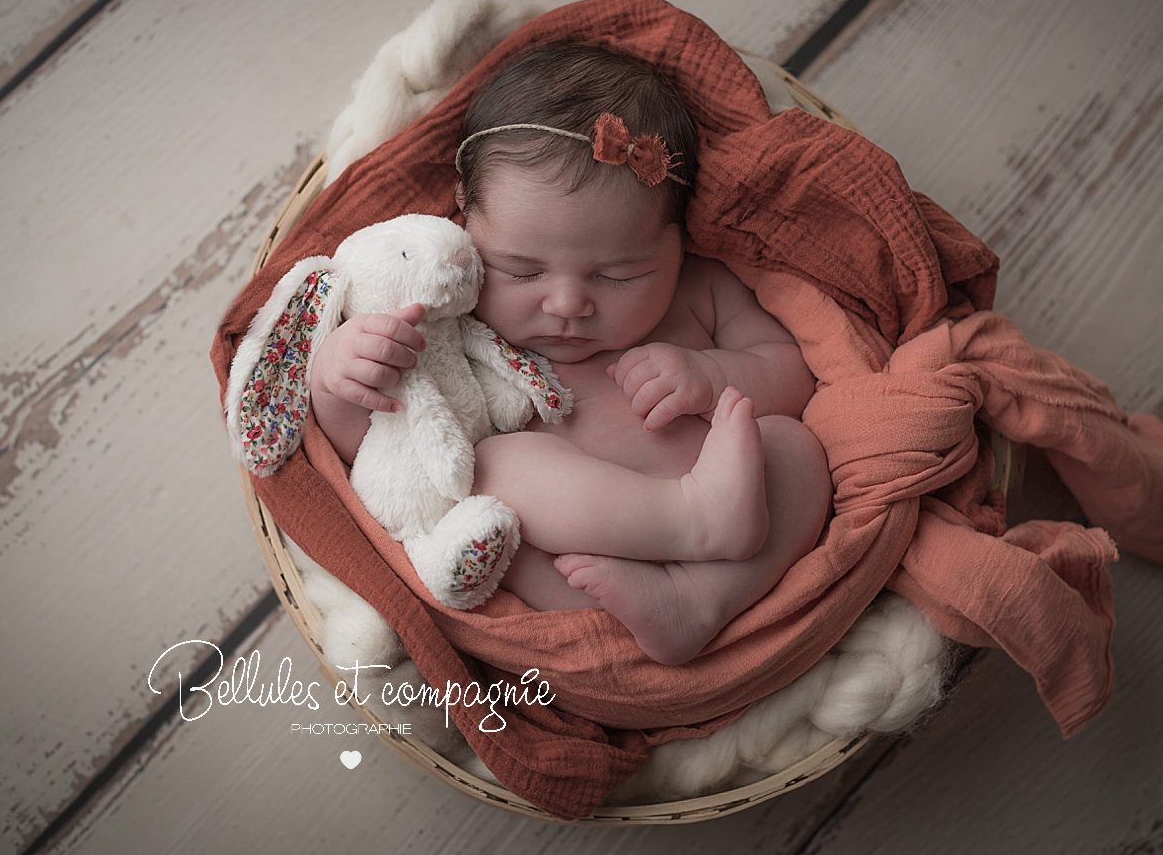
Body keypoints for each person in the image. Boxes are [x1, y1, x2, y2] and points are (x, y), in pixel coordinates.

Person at [310, 44, 832, 665]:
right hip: (583, 573)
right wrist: (337, 377)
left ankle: (699, 600)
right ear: (463, 217)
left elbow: (794, 374)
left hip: (737, 551)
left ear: (679, 237)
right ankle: (687, 524)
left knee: (796, 451)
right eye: (522, 270)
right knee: (495, 470)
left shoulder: (700, 291)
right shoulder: (455, 319)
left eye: (619, 275)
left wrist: (713, 373)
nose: (566, 304)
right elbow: (390, 454)